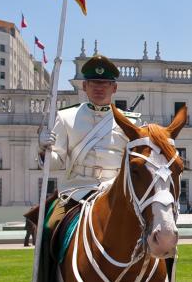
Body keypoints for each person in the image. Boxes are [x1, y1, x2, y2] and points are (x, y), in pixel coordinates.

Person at [34, 54, 143, 281]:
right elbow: (58, 162)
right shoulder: (66, 118)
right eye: (94, 83)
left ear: (114, 88)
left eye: (104, 84)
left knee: (158, 231)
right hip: (77, 191)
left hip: (116, 192)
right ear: (84, 86)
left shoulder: (130, 122)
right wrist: (44, 150)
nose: (99, 88)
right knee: (47, 227)